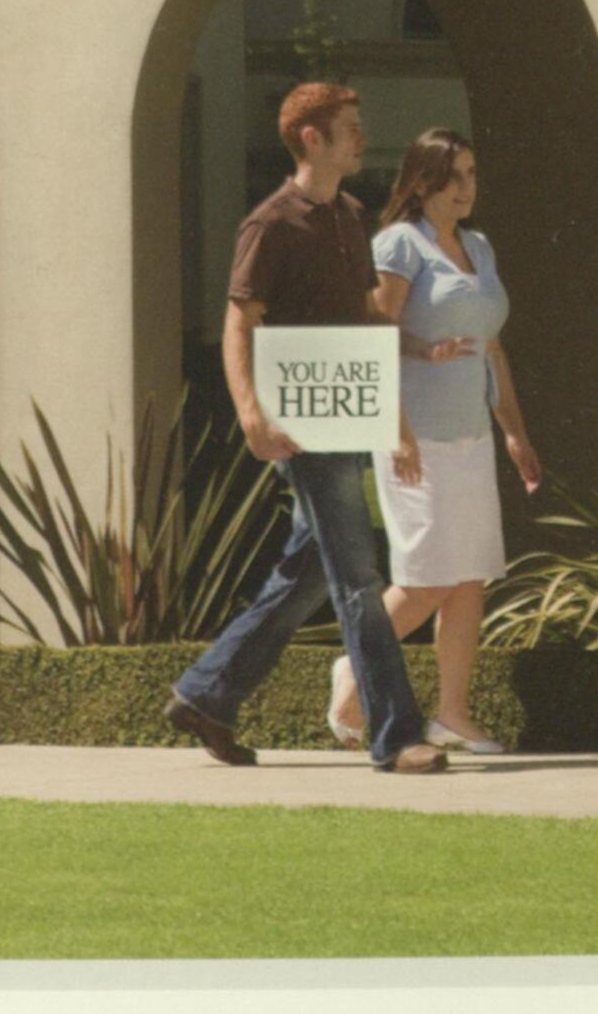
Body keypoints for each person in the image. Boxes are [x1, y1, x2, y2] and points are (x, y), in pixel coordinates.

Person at [165, 83, 448, 775]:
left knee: (310, 571)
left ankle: (205, 694)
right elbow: (240, 322)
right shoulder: (269, 225)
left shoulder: (350, 216)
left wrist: (405, 389)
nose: (363, 137)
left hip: (350, 413)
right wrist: (251, 414)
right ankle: (395, 736)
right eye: (350, 127)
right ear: (312, 139)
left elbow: (364, 320)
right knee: (357, 574)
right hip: (301, 428)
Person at [327, 127, 544, 757]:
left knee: (469, 576)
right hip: (414, 436)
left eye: (472, 174)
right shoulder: (401, 243)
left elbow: (492, 348)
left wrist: (514, 434)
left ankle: (451, 715)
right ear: (423, 183)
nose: (465, 188)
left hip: (472, 437)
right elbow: (374, 332)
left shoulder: (479, 247)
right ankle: (352, 669)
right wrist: (398, 431)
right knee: (426, 580)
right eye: (454, 176)